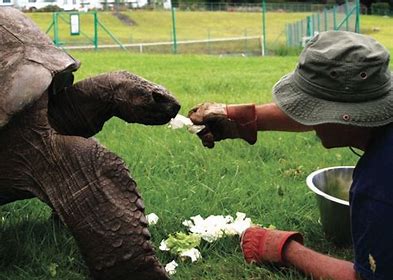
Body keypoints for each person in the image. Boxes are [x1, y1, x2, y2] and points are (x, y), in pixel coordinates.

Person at [188, 30, 393, 280]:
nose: (307, 118)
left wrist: (283, 248)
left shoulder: (378, 185)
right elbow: (333, 117)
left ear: (346, 115)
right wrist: (238, 118)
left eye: (312, 110)